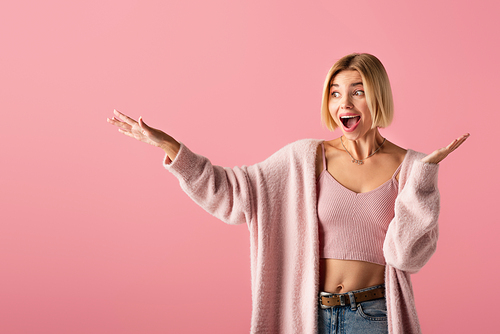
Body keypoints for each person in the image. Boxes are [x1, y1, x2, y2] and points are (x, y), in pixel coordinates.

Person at [107, 53, 469, 334]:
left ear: (378, 96)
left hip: (374, 316)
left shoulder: (412, 167)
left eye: (357, 91)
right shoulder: (303, 159)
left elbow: (407, 257)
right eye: (336, 93)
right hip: (308, 316)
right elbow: (232, 192)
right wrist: (172, 147)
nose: (345, 103)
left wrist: (422, 179)